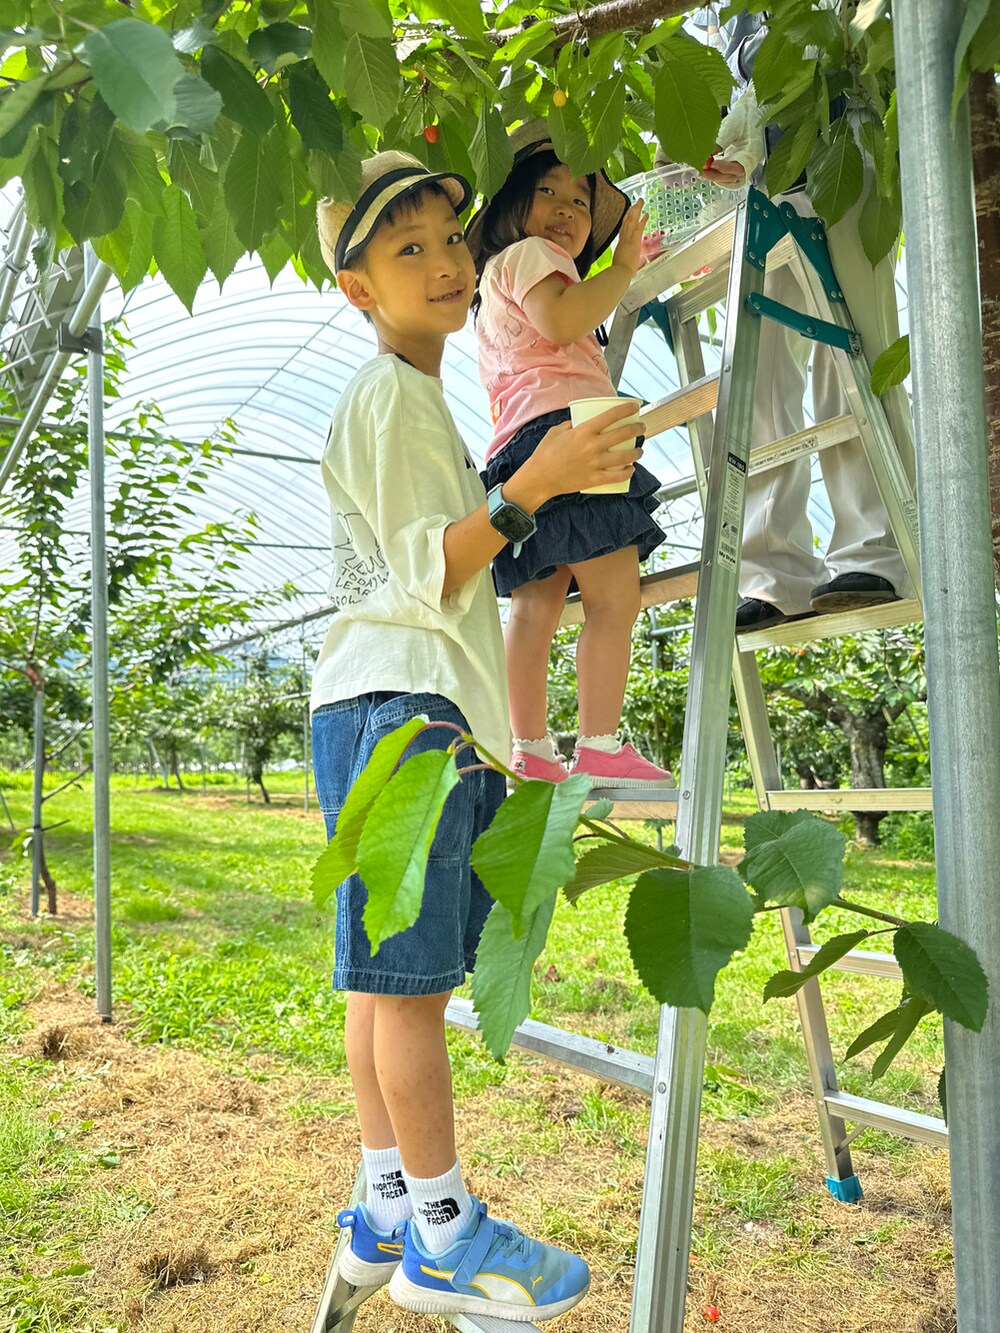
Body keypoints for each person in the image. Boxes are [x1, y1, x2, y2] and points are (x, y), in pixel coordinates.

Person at [312, 151, 644, 1321]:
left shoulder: (409, 399)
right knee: (409, 989)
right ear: (360, 289)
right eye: (407, 249)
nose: (446, 263)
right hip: (405, 709)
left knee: (378, 980)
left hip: (376, 702)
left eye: (450, 239)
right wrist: (535, 483)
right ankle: (446, 1232)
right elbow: (433, 566)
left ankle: (388, 1197)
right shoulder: (391, 396)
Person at [468, 121, 673, 787]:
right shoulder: (534, 257)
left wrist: (625, 270)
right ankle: (599, 742)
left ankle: (529, 747)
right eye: (548, 192)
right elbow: (563, 320)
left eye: (580, 202)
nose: (566, 209)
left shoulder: (497, 281)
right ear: (512, 207)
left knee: (534, 608)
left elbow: (560, 317)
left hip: (520, 453)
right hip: (571, 437)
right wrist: (622, 269)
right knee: (615, 597)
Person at [702, 13, 916, 631]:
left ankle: (878, 550)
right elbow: (747, 92)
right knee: (759, 382)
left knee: (852, 359)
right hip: (765, 190)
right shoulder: (722, 17)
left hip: (843, 152)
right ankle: (776, 573)